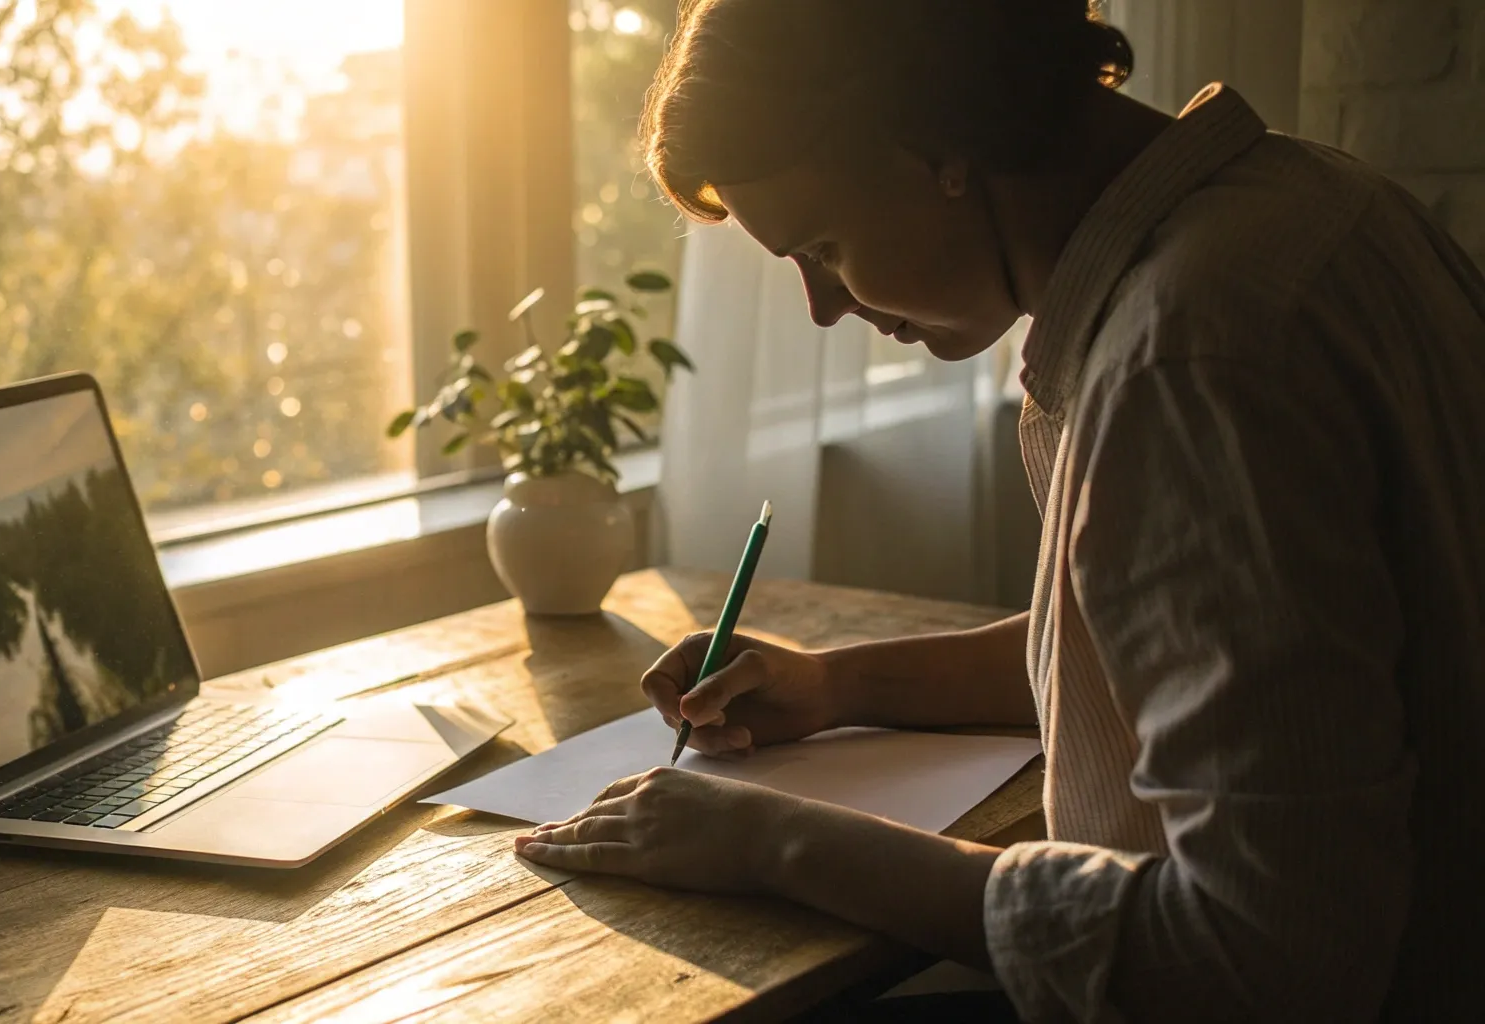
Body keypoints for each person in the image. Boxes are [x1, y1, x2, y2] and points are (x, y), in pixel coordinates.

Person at [512, 1, 1485, 1020]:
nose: (822, 307)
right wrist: (836, 684)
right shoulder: (1315, 200)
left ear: (938, 145)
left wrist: (773, 840)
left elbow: (1264, 958)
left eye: (825, 246)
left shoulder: (1186, 360)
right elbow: (1208, 666)